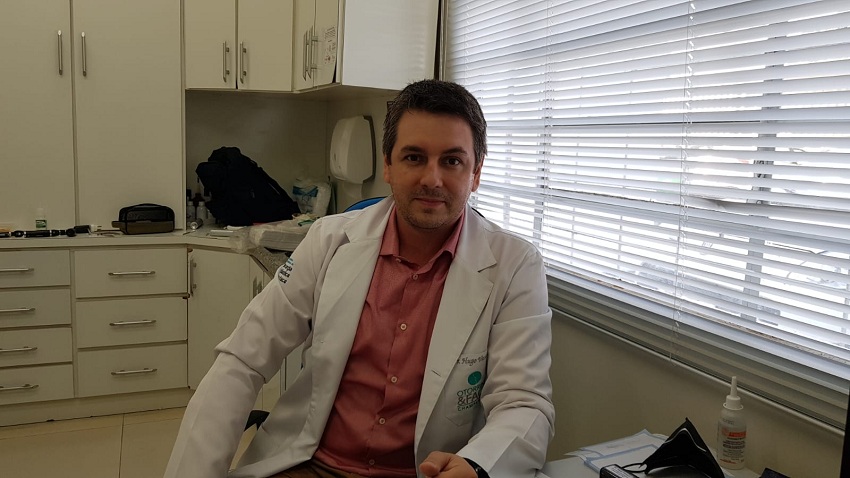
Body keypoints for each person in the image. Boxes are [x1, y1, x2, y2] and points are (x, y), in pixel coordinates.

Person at [164, 79, 554, 478]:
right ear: (388, 165)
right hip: (310, 465)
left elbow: (523, 402)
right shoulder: (329, 240)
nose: (432, 179)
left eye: (452, 161)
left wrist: (477, 465)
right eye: (414, 157)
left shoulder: (514, 266)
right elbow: (244, 359)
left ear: (476, 172)